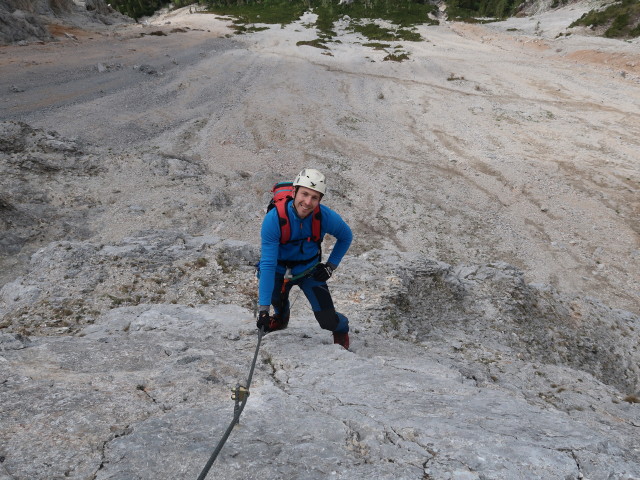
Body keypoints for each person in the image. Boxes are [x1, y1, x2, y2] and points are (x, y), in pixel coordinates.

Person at [256, 168, 353, 349]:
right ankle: (280, 318)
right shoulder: (274, 219)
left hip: (309, 270)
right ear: (294, 192)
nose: (308, 202)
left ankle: (341, 327)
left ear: (320, 200)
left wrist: (330, 266)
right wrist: (263, 311)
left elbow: (346, 236)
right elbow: (267, 264)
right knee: (278, 304)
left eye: (314, 197)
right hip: (277, 270)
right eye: (305, 194)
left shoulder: (324, 216)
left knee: (327, 321)